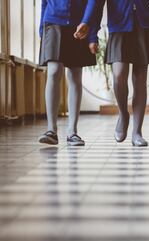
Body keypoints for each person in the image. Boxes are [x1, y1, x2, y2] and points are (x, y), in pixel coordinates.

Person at [92, 0, 149, 147]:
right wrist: (92, 34)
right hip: (119, 24)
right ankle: (123, 114)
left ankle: (137, 132)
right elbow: (96, 4)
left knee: (140, 80)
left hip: (144, 23)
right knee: (118, 75)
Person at [38, 0, 97, 146]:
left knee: (75, 75)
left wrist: (90, 29)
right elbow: (44, 2)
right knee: (53, 71)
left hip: (80, 23)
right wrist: (41, 29)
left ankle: (72, 132)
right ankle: (51, 130)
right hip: (52, 22)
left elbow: (93, 3)